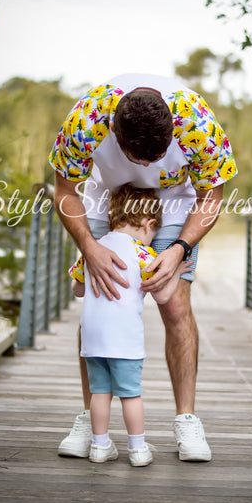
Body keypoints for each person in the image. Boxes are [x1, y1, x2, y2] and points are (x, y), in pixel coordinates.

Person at [49, 73, 237, 462]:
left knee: (175, 304)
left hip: (174, 202)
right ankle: (91, 419)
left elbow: (211, 196)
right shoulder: (86, 120)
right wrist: (89, 248)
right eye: (140, 159)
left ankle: (187, 419)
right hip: (108, 198)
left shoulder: (198, 123)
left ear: (173, 128)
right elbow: (66, 192)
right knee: (101, 295)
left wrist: (181, 248)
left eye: (158, 155)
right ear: (114, 131)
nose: (149, 166)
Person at [69, 184, 191, 467]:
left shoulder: (93, 250)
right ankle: (137, 449)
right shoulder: (143, 254)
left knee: (100, 393)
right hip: (124, 340)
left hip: (93, 338)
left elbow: (77, 289)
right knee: (130, 395)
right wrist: (176, 273)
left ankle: (99, 446)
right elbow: (160, 294)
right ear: (149, 224)